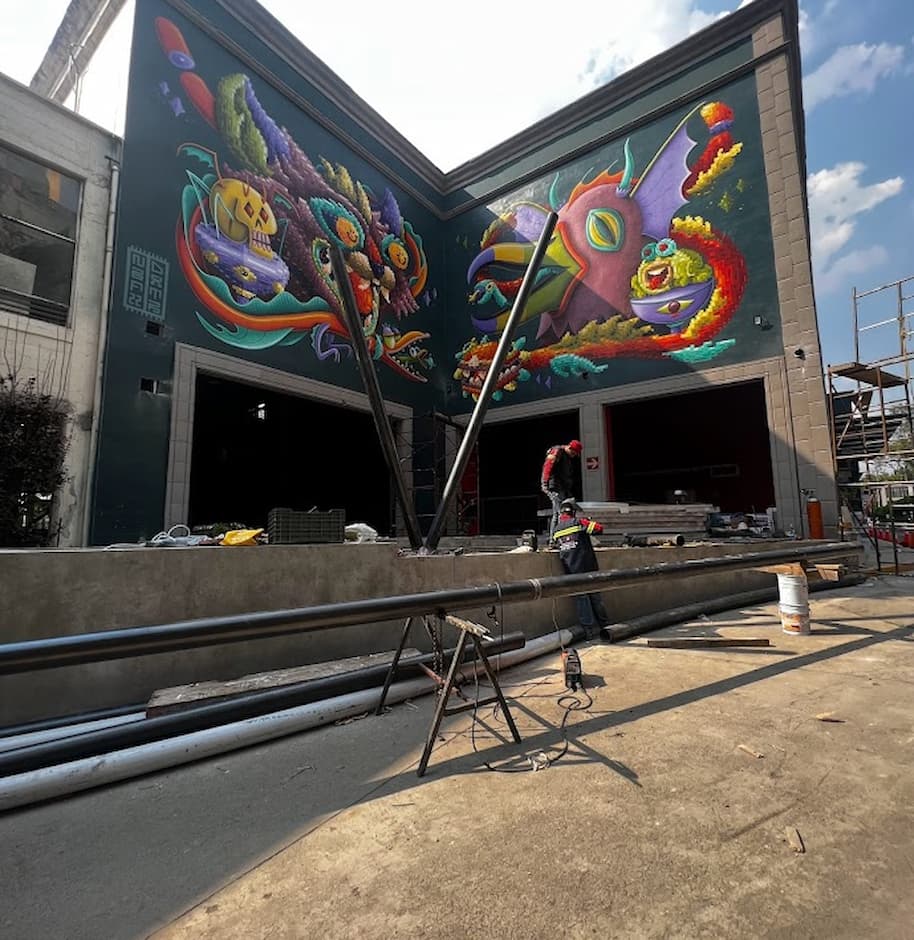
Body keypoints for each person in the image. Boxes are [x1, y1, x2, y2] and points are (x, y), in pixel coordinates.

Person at [554, 498, 611, 639]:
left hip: (571, 570)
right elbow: (599, 529)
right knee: (595, 597)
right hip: (588, 567)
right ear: (573, 512)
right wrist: (587, 521)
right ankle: (605, 626)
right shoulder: (579, 522)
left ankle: (589, 631)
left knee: (581, 599)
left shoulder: (556, 530)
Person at [541, 439, 582, 541]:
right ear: (570, 448)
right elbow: (547, 466)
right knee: (560, 513)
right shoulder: (557, 451)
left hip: (562, 488)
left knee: (562, 512)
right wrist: (545, 483)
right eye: (574, 453)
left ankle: (557, 539)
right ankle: (556, 539)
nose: (574, 456)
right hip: (555, 487)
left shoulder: (566, 456)